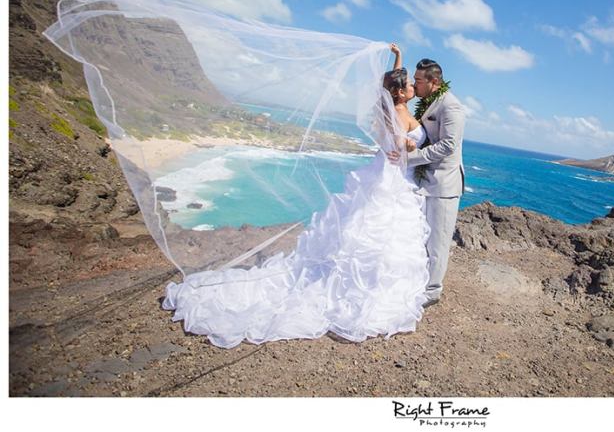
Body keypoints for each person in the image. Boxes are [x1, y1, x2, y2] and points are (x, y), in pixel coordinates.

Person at [160, 44, 432, 347]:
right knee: (383, 235)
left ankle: (369, 284)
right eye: (409, 84)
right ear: (400, 93)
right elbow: (398, 141)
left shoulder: (388, 106)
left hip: (382, 172)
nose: (413, 87)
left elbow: (393, 84)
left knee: (369, 234)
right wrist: (409, 145)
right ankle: (373, 292)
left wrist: (398, 56)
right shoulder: (398, 112)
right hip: (392, 177)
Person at [387, 57, 466, 307]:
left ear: (434, 82)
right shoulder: (428, 102)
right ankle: (420, 281)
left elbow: (448, 145)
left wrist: (410, 158)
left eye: (419, 81)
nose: (415, 85)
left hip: (444, 184)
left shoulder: (451, 106)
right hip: (425, 181)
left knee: (439, 240)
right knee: (423, 236)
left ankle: (432, 292)